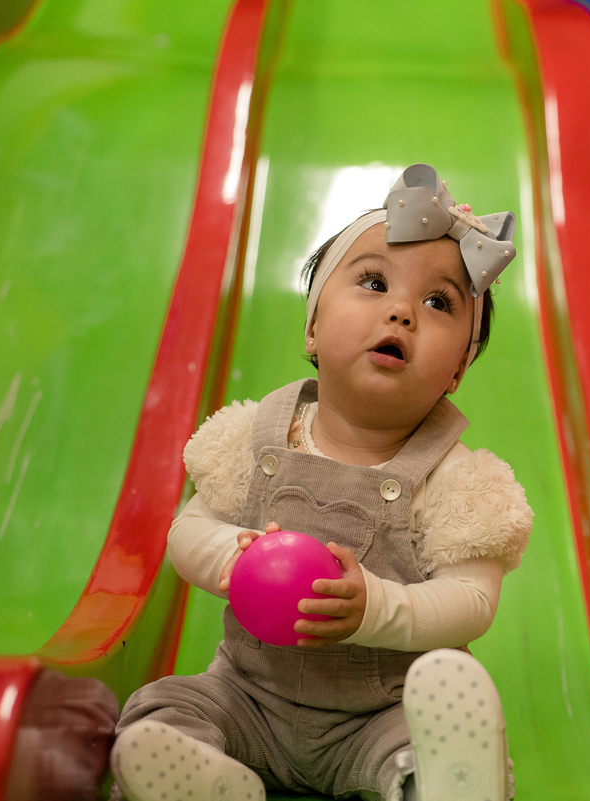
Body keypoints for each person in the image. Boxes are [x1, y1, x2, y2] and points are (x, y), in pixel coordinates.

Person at [109, 164, 532, 801]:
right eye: (374, 283)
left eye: (438, 303)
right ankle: (208, 782)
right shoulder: (257, 436)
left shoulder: (457, 479)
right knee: (164, 706)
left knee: (420, 743)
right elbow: (187, 533)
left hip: (380, 715)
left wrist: (376, 608)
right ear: (312, 326)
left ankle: (435, 782)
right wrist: (235, 558)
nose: (401, 311)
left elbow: (472, 601)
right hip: (249, 697)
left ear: (456, 372)